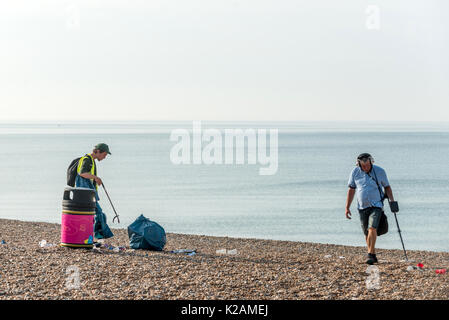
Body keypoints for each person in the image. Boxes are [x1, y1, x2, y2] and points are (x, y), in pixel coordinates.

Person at [345, 153, 395, 265]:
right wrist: (347, 207)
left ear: (371, 162)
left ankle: (370, 255)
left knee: (372, 228)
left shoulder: (380, 171)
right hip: (362, 206)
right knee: (366, 232)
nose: (365, 168)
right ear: (359, 164)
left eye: (367, 165)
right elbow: (351, 189)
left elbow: (387, 186)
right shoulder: (355, 172)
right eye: (363, 166)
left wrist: (392, 201)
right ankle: (372, 254)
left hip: (376, 205)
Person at [75, 143, 114, 240]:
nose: (105, 157)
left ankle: (94, 236)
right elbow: (83, 173)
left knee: (96, 214)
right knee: (99, 213)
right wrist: (96, 178)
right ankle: (99, 236)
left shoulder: (91, 160)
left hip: (88, 193)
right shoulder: (87, 160)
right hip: (86, 193)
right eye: (104, 154)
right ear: (98, 151)